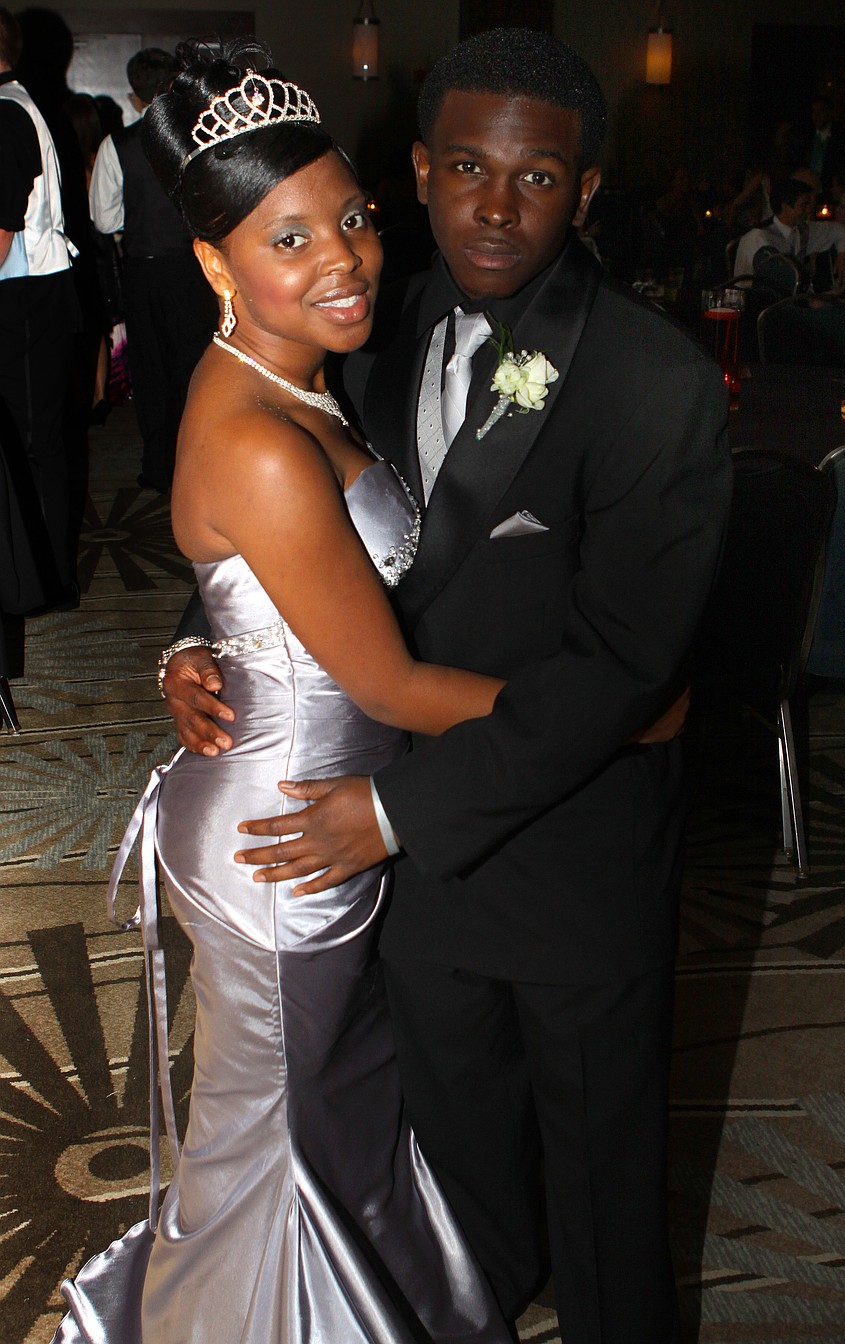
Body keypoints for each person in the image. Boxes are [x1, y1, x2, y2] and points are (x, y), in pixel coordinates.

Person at [162, 28, 732, 1343]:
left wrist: (398, 812)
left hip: (563, 857)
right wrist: (195, 643)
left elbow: (625, 671)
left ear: (586, 192)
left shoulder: (650, 386)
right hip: (396, 864)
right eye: (466, 167)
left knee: (601, 1218)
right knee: (453, 1185)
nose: (494, 203)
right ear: (420, 170)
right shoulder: (378, 313)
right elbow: (282, 534)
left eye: (537, 179)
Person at [58, 38, 517, 1344]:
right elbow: (389, 677)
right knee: (272, 1136)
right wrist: (604, 708)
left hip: (308, 798)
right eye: (290, 238)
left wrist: (188, 646)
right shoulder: (262, 435)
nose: (345, 259)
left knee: (328, 1103)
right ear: (211, 265)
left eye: (354, 219)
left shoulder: (292, 382)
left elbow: (250, 584)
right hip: (287, 842)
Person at [89, 47, 217, 491]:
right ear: (172, 86)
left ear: (132, 96)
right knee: (193, 364)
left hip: (142, 269)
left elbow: (103, 219)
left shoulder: (116, 145)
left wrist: (140, 218)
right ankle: (197, 463)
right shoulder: (196, 138)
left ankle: (158, 466)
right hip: (190, 267)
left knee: (149, 370)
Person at [0, 6, 79, 605]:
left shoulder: (6, 113)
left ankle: (45, 581)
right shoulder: (17, 104)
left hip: (24, 297)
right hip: (33, 295)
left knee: (31, 443)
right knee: (34, 441)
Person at [734, 176, 845, 286]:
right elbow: (776, 281)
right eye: (804, 206)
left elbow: (840, 230)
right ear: (786, 207)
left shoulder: (803, 231)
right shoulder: (759, 236)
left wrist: (843, 253)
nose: (809, 210)